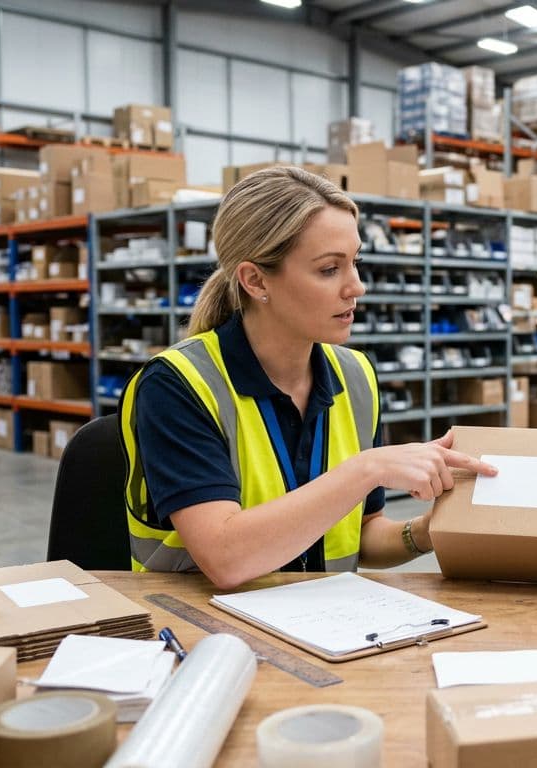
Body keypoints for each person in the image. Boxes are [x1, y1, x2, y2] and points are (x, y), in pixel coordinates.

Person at [120, 166, 495, 589]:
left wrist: (427, 531)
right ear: (256, 280)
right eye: (329, 269)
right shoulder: (178, 385)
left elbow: (359, 532)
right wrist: (368, 468)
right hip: (205, 631)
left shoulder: (355, 377)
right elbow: (225, 557)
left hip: (324, 631)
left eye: (355, 262)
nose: (357, 287)